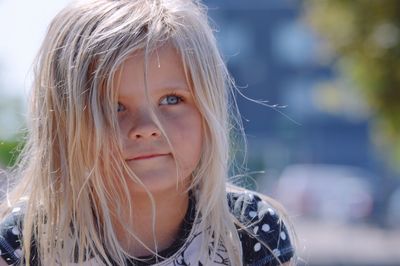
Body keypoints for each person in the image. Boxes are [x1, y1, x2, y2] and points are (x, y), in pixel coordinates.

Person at [0, 0, 296, 265]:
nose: (146, 128)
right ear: (62, 122)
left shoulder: (249, 232)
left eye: (171, 100)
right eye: (112, 106)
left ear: (209, 108)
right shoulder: (25, 242)